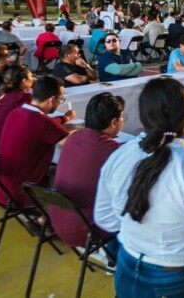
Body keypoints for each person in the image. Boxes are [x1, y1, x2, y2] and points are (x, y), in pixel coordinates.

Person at [94, 78, 184, 297]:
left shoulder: (120, 155)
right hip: (176, 275)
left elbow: (105, 219)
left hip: (128, 262)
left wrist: (140, 232)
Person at [50, 92, 124, 251]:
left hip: (58, 221)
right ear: (114, 122)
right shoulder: (111, 150)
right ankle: (116, 254)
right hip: (86, 230)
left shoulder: (74, 137)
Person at [0, 76, 74, 207]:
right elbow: (73, 144)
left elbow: (43, 127)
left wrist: (63, 119)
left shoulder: (16, 112)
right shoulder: (43, 123)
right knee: (74, 177)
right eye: (60, 99)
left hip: (3, 189)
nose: (60, 102)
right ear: (52, 100)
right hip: (23, 193)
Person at [0, 65, 35, 151]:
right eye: (31, 76)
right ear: (24, 81)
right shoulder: (24, 98)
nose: (33, 79)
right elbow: (39, 116)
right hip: (3, 146)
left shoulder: (2, 94)